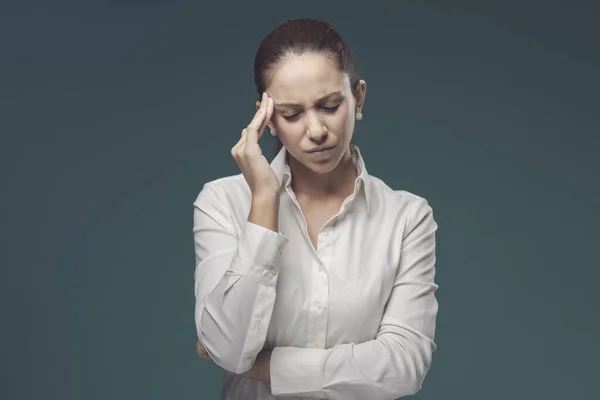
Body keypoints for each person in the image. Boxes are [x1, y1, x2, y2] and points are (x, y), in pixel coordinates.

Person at [192, 18, 439, 400]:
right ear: (267, 117)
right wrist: (263, 202)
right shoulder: (223, 203)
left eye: (329, 106)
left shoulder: (406, 217)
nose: (316, 130)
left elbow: (404, 366)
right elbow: (228, 345)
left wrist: (264, 366)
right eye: (292, 114)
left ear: (358, 97)